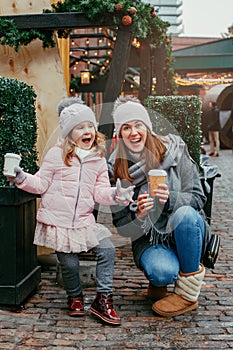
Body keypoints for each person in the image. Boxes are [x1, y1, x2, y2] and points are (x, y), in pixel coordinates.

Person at [5, 101, 134, 326]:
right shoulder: (56, 155)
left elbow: (99, 191)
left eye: (90, 126)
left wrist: (116, 194)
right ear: (68, 133)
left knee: (107, 250)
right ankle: (75, 296)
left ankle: (102, 299)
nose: (88, 132)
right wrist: (20, 177)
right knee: (70, 264)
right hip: (59, 223)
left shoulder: (98, 158)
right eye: (80, 127)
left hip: (84, 222)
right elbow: (41, 183)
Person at [108, 95, 211, 317]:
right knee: (162, 272)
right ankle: (161, 279)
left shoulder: (175, 149)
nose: (133, 132)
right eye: (126, 128)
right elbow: (122, 225)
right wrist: (140, 216)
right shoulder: (115, 167)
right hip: (149, 237)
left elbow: (198, 196)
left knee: (184, 214)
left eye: (138, 125)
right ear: (119, 134)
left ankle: (186, 294)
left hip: (186, 230)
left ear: (147, 126)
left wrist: (169, 200)